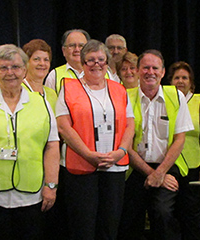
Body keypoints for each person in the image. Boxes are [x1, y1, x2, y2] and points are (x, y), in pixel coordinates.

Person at [0, 44, 60, 240]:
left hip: (31, 197)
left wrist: (51, 186)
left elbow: (52, 146)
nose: (10, 73)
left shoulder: (41, 103)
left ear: (25, 70)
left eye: (16, 67)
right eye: (3, 68)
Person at [56, 39, 135, 239]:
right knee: (83, 226)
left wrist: (121, 152)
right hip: (81, 166)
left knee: (109, 226)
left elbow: (130, 125)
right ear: (82, 64)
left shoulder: (119, 89)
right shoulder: (68, 88)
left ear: (107, 63)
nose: (96, 64)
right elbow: (64, 126)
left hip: (115, 166)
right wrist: (88, 154)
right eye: (90, 60)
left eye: (101, 59)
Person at [118, 50, 194, 240]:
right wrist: (151, 174)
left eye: (155, 68)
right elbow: (125, 143)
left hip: (167, 167)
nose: (150, 72)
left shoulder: (176, 97)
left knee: (162, 213)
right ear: (137, 71)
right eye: (145, 67)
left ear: (162, 72)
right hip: (135, 167)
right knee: (127, 218)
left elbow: (180, 139)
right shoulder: (124, 97)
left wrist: (160, 173)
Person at [168, 61, 200, 240]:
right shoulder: (165, 100)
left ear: (191, 82)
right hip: (169, 169)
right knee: (168, 215)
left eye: (184, 77)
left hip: (194, 168)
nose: (180, 81)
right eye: (176, 78)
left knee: (191, 216)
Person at [45, 29, 90, 94]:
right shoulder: (54, 75)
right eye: (72, 45)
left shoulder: (103, 73)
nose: (77, 49)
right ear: (64, 51)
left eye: (81, 46)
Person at [22, 39, 57, 111]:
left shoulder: (52, 94)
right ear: (26, 63)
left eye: (46, 60)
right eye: (36, 59)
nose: (42, 64)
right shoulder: (18, 91)